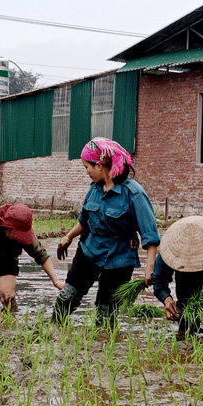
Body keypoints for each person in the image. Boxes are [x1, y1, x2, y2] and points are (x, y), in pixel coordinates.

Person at [52, 137, 159, 326]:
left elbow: (150, 235)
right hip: (90, 250)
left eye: (87, 167)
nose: (86, 172)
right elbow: (84, 221)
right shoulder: (94, 189)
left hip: (120, 258)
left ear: (101, 165)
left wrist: (150, 269)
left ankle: (104, 343)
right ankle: (54, 329)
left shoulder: (134, 193)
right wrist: (67, 237)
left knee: (106, 310)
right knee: (67, 297)